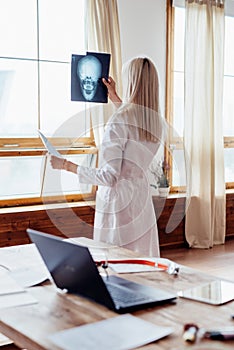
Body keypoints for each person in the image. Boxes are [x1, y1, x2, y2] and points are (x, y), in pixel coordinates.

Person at [50, 57, 166, 257]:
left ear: (131, 82)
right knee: (140, 258)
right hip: (140, 198)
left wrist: (66, 165)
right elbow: (133, 127)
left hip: (118, 203)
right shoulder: (156, 123)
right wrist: (115, 98)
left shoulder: (120, 120)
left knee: (115, 259)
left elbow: (109, 177)